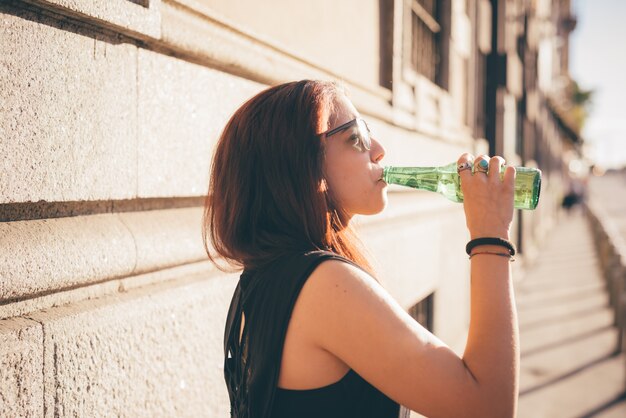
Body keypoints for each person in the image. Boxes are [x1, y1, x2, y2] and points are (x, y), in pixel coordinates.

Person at [203, 80, 519, 418]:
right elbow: (488, 408)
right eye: (355, 137)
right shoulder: (325, 285)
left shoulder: (265, 276)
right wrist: (490, 236)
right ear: (302, 166)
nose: (379, 149)